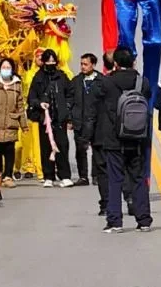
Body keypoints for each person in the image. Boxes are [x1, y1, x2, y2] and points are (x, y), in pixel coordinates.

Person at [85, 47, 152, 232]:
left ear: (115, 63)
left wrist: (88, 135)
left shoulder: (106, 82)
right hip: (137, 137)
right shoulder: (142, 82)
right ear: (133, 62)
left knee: (115, 180)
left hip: (114, 139)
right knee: (138, 179)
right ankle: (144, 220)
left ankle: (115, 221)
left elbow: (93, 104)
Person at [26, 49, 74, 188]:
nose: (51, 63)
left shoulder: (62, 76)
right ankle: (48, 176)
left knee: (62, 146)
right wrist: (40, 104)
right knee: (46, 147)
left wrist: (66, 107)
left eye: (53, 61)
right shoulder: (38, 78)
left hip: (60, 118)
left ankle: (65, 176)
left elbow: (70, 94)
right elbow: (31, 97)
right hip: (44, 118)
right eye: (48, 61)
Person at [0, 57, 27, 188]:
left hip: (11, 124)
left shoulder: (17, 86)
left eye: (8, 67)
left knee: (9, 151)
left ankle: (8, 176)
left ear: (12, 69)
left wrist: (24, 125)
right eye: (4, 67)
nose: (6, 70)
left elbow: (21, 107)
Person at [71, 53, 101, 186]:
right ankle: (83, 177)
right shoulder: (76, 81)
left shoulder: (101, 81)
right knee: (80, 150)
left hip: (96, 121)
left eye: (85, 64)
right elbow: (70, 99)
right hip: (80, 121)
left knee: (97, 150)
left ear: (93, 65)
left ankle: (96, 175)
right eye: (81, 64)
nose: (83, 67)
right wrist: (70, 118)